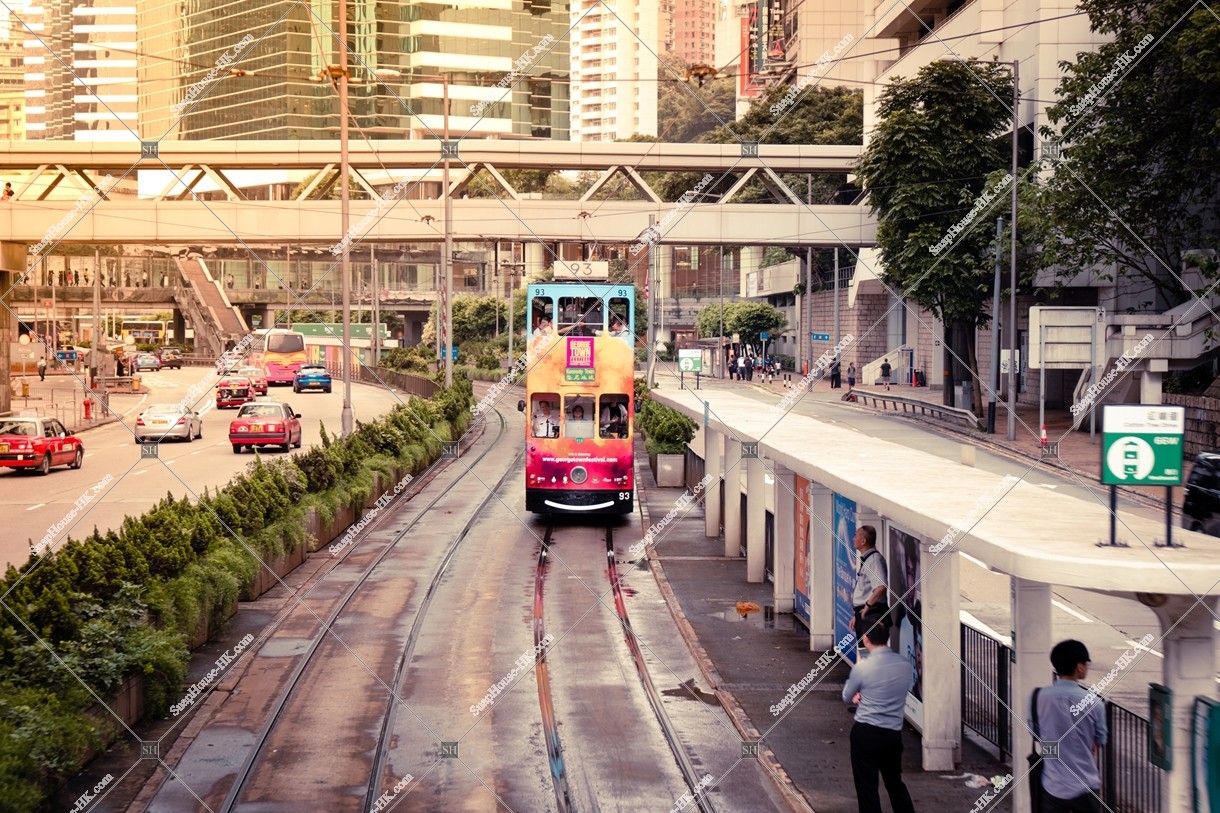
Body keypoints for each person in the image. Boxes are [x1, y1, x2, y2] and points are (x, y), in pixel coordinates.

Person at [842, 623, 917, 813]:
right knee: (895, 783)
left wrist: (858, 695)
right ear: (887, 637)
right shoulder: (904, 665)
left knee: (867, 788)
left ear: (866, 638)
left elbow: (846, 696)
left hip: (865, 733)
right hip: (892, 735)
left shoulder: (863, 668)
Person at [1030, 640, 1107, 812]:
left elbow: (1036, 733)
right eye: (1086, 663)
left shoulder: (1037, 697)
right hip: (1086, 786)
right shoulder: (1095, 703)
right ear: (1079, 667)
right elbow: (1100, 740)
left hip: (1051, 785)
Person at [850, 525, 888, 643]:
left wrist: (867, 607)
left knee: (870, 648)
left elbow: (881, 587)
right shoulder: (868, 559)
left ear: (863, 541)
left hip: (872, 614)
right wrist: (857, 615)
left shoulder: (874, 560)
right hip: (865, 613)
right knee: (864, 648)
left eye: (855, 535)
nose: (853, 539)